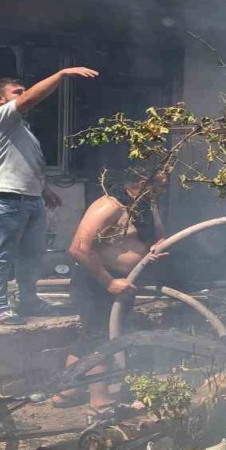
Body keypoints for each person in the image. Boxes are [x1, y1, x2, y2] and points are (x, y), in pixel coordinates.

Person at [0, 67, 100, 325]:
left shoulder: (23, 129)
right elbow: (31, 98)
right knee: (1, 255)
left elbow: (27, 163)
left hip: (30, 199)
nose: (23, 95)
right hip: (3, 198)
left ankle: (28, 301)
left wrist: (44, 190)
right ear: (0, 99)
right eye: (17, 92)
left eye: (23, 91)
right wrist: (61, 74)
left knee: (31, 255)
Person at [57, 169, 167, 410]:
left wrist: (157, 247)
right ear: (140, 181)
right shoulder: (109, 206)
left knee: (92, 336)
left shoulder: (146, 205)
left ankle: (67, 390)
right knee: (101, 339)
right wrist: (108, 282)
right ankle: (100, 400)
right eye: (160, 181)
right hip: (96, 281)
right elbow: (78, 248)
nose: (164, 187)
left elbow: (159, 237)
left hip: (123, 281)